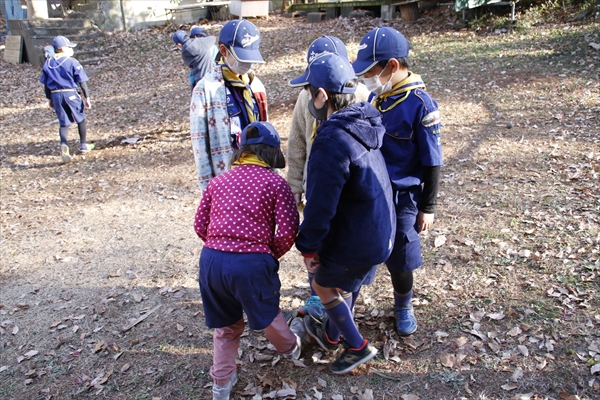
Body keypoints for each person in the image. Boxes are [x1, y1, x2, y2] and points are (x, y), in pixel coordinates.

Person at [293, 53, 396, 374]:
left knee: (324, 285)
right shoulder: (365, 122)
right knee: (343, 284)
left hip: (360, 237)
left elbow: (321, 205)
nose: (309, 100)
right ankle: (333, 334)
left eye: (310, 93)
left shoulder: (331, 140)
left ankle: (357, 346)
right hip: (381, 229)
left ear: (322, 96)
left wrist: (308, 246)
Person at [194, 121, 305, 400]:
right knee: (268, 315)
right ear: (272, 154)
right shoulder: (276, 183)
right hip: (251, 263)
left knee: (227, 327)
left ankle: (221, 385)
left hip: (211, 261)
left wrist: (220, 244)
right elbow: (289, 229)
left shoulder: (218, 181)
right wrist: (268, 253)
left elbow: (199, 224)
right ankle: (292, 349)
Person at [352, 26, 443, 336]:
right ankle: (345, 304)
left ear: (392, 66)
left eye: (369, 71)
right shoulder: (377, 100)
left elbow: (433, 161)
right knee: (361, 248)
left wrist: (427, 207)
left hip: (404, 197)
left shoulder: (421, 104)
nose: (366, 78)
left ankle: (403, 303)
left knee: (401, 257)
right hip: (373, 193)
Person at [286, 35, 371, 319]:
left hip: (349, 191)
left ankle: (343, 304)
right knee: (317, 243)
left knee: (342, 248)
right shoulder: (304, 96)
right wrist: (295, 183)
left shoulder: (357, 96)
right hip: (317, 187)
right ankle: (319, 303)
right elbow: (297, 140)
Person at [189, 19, 268, 191]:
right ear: (223, 51)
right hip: (226, 185)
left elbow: (267, 135)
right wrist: (208, 192)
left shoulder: (256, 86)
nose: (247, 64)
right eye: (242, 58)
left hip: (259, 179)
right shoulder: (205, 90)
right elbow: (200, 149)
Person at [40, 36, 94, 163]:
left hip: (56, 94)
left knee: (63, 123)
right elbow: (82, 81)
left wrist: (50, 98)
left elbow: (46, 85)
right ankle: (83, 145)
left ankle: (64, 144)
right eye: (68, 46)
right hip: (70, 93)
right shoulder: (72, 62)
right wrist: (87, 97)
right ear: (62, 48)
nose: (70, 49)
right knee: (80, 118)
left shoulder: (48, 63)